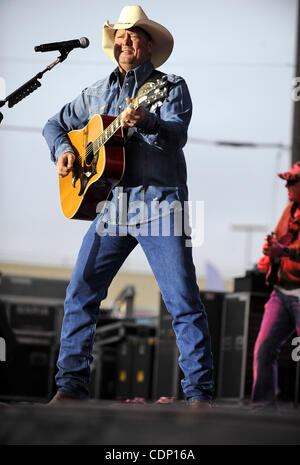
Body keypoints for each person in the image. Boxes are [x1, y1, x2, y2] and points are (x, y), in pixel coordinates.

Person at [43, 5, 214, 406]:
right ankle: (70, 388)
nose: (125, 41)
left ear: (149, 45)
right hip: (112, 207)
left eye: (134, 34)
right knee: (81, 292)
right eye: (120, 36)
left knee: (182, 301)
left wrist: (146, 122)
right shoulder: (98, 93)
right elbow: (53, 124)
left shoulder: (169, 85)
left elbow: (175, 137)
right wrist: (64, 150)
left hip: (160, 207)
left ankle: (199, 397)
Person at [252, 161, 300, 409]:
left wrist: (282, 251)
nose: (287, 185)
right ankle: (262, 406)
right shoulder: (289, 210)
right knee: (264, 348)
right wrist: (268, 256)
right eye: (287, 180)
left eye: (292, 181)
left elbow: (290, 249)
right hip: (282, 293)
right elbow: (279, 241)